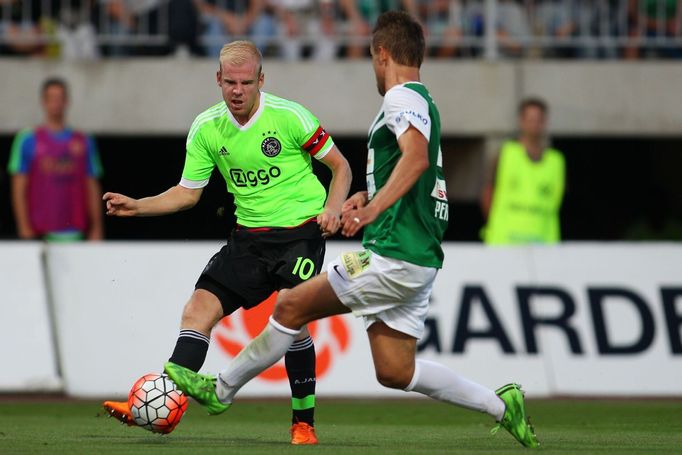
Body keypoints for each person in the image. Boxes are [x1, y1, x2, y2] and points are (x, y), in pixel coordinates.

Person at [165, 12, 539, 449]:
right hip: (419, 258)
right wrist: (365, 199)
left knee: (291, 305)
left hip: (392, 255)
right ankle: (501, 405)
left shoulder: (400, 99)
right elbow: (408, 169)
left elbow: (415, 160)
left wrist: (371, 209)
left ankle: (221, 390)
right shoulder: (424, 99)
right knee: (396, 370)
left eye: (372, 60)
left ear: (382, 55)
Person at [101, 40, 351, 445]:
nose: (237, 90)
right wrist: (138, 206)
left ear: (261, 80)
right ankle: (162, 403)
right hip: (248, 239)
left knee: (293, 321)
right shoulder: (206, 127)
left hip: (301, 234)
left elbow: (340, 166)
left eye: (246, 82)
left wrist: (334, 208)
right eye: (230, 82)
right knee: (197, 310)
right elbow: (187, 193)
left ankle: (303, 423)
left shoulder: (290, 117)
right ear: (217, 79)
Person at [8, 77, 104, 242]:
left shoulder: (83, 140)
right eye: (51, 98)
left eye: (59, 98)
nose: (56, 103)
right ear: (43, 102)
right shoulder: (27, 139)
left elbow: (92, 186)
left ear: (67, 102)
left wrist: (97, 228)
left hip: (75, 232)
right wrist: (24, 227)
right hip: (39, 232)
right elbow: (18, 187)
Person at [481, 97, 565, 245]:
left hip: (544, 243)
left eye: (538, 119)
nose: (534, 124)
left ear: (545, 122)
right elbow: (488, 192)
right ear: (521, 121)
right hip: (505, 242)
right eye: (530, 119)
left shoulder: (556, 161)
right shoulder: (505, 153)